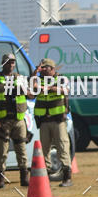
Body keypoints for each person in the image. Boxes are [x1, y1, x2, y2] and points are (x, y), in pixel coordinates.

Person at [33, 58, 72, 187]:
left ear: (52, 69)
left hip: (58, 120)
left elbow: (66, 90)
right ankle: (46, 177)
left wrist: (49, 88)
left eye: (45, 68)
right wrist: (34, 73)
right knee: (44, 150)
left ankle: (67, 177)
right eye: (41, 68)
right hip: (44, 120)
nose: (42, 70)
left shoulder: (61, 79)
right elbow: (32, 90)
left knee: (62, 147)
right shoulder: (38, 79)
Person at [0, 52, 29, 189]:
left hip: (18, 119)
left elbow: (29, 94)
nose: (11, 64)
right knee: (2, 152)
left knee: (21, 149)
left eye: (13, 62)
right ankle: (0, 179)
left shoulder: (20, 78)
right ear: (3, 63)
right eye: (8, 62)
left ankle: (24, 177)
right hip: (3, 121)